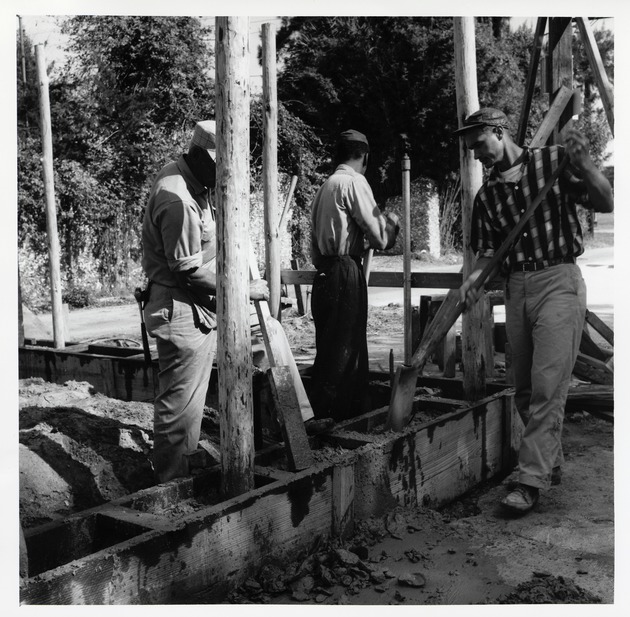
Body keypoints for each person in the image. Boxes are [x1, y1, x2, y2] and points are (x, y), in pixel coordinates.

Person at [455, 108, 613, 514]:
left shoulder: (554, 162)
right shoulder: (487, 195)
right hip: (516, 287)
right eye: (471, 150)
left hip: (558, 280)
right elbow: (488, 253)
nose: (476, 156)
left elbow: (605, 200)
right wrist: (474, 281)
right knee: (523, 387)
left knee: (547, 384)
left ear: (498, 132)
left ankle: (529, 481)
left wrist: (586, 165)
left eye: (479, 145)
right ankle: (549, 461)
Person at [141, 120, 268, 483]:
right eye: (219, 165)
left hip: (200, 301)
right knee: (180, 406)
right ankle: (169, 488)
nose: (223, 174)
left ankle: (183, 472)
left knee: (263, 342)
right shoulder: (177, 197)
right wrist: (242, 290)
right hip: (181, 306)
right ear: (198, 155)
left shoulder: (197, 181)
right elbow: (188, 272)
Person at [309, 129, 400, 423]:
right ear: (364, 156)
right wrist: (392, 224)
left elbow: (312, 246)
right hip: (345, 270)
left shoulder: (324, 187)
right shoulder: (353, 182)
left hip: (323, 271)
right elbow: (381, 239)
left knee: (329, 349)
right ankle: (340, 421)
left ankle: (328, 416)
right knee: (345, 352)